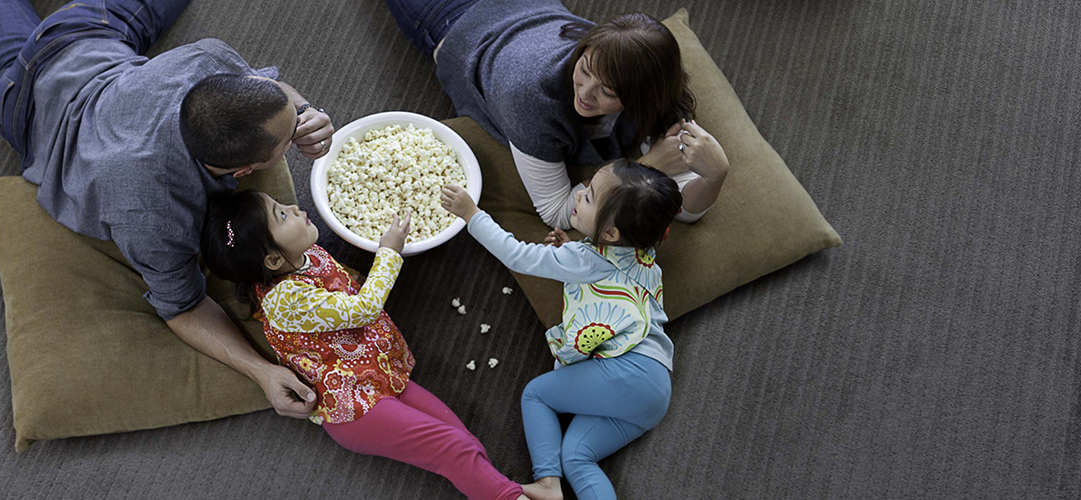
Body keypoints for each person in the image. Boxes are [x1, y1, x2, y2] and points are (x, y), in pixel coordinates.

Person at [0, 0, 336, 418]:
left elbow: (271, 93)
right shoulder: (151, 215)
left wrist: (306, 111)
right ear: (245, 170)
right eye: (291, 137)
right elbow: (182, 308)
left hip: (91, 34)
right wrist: (262, 372)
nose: (300, 127)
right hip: (25, 101)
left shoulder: (207, 59)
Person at [200, 191, 529, 500]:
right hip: (354, 408)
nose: (296, 209)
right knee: (453, 447)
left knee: (464, 441)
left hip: (378, 374)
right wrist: (389, 252)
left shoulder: (302, 255)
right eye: (282, 215)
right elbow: (364, 309)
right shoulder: (286, 299)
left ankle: (508, 490)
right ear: (272, 260)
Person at [440, 158, 699, 500]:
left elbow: (518, 256)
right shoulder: (644, 253)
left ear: (610, 233)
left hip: (629, 372)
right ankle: (560, 485)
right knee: (578, 456)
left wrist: (472, 214)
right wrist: (570, 248)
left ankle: (548, 482)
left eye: (589, 197)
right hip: (655, 388)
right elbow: (606, 276)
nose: (578, 196)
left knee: (537, 394)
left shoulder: (586, 259)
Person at [386, 0, 728, 229]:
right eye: (585, 68)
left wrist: (716, 174)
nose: (585, 92)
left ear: (642, 98)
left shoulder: (657, 97)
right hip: (452, 14)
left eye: (607, 92)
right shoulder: (529, 101)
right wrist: (649, 165)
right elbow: (556, 212)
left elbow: (683, 210)